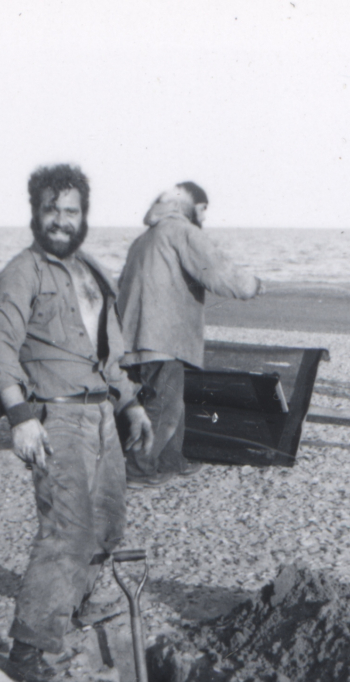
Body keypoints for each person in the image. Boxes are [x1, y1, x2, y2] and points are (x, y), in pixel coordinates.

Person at [0, 163, 154, 682]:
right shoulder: (21, 272)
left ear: (84, 216)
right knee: (66, 532)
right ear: (36, 212)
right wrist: (20, 419)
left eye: (71, 210)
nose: (61, 220)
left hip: (102, 411)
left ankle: (76, 603)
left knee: (106, 523)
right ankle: (32, 649)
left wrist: (130, 405)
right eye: (51, 209)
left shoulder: (93, 272)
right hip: (54, 415)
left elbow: (111, 355)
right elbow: (0, 353)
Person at [115, 182, 264, 486]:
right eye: (203, 210)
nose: (205, 218)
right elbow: (219, 272)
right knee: (164, 405)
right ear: (189, 206)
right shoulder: (184, 232)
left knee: (171, 400)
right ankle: (137, 469)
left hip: (132, 336)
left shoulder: (145, 238)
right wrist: (253, 285)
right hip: (163, 338)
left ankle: (174, 461)